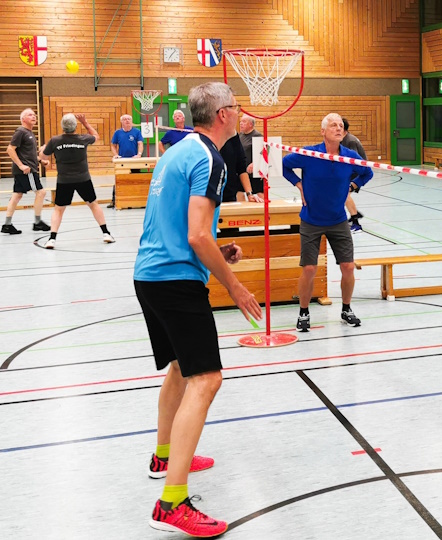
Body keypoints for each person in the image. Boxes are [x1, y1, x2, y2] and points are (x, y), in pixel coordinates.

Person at [135, 82, 261, 537]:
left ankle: (163, 456)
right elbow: (194, 234)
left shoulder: (177, 150)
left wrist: (215, 252)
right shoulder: (212, 158)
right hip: (175, 280)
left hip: (148, 274)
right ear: (225, 114)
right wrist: (235, 285)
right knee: (206, 378)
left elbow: (185, 228)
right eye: (238, 106)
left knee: (178, 368)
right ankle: (171, 504)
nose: (241, 112)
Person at [283, 113, 373, 332]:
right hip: (311, 220)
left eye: (341, 125)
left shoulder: (349, 155)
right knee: (310, 268)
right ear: (323, 131)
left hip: (338, 221)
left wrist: (353, 186)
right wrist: (298, 184)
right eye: (333, 125)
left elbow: (367, 172)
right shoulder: (309, 153)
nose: (338, 128)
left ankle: (346, 309)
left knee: (348, 266)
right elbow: (284, 164)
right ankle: (303, 312)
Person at [41, 113, 115, 249]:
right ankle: (106, 233)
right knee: (93, 204)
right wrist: (85, 122)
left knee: (58, 210)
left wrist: (45, 161)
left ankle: (52, 239)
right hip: (83, 179)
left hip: (64, 180)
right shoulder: (83, 138)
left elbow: (43, 156)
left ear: (62, 126)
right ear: (75, 126)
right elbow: (96, 136)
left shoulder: (55, 140)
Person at [3, 108, 49, 234]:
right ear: (23, 119)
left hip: (27, 168)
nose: (33, 116)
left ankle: (7, 224)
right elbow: (10, 149)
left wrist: (40, 160)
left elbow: (29, 153)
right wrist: (22, 165)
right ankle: (38, 222)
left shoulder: (30, 133)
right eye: (30, 115)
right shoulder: (21, 132)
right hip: (26, 171)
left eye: (34, 115)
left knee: (17, 195)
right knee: (41, 192)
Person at [110, 114, 145, 208]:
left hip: (134, 160)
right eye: (125, 119)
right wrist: (116, 155)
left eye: (129, 119)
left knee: (136, 179)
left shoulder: (137, 132)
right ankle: (114, 201)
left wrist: (139, 154)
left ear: (131, 121)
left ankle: (139, 200)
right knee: (119, 180)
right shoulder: (117, 133)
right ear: (121, 122)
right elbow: (113, 145)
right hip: (122, 161)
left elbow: (140, 144)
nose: (127, 121)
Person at [220, 132, 263, 204]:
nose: (241, 124)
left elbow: (241, 167)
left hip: (229, 194)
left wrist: (249, 194)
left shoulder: (234, 137)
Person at [341, 118, 367, 233]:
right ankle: (354, 214)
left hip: (358, 172)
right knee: (342, 195)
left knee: (344, 194)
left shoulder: (350, 141)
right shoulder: (342, 139)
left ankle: (356, 223)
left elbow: (354, 161)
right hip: (351, 172)